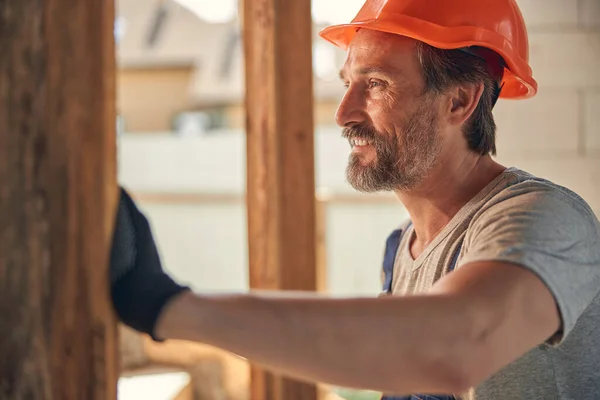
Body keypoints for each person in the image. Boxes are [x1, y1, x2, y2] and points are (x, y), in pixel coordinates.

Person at [110, 0, 600, 399]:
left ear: (459, 101)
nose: (344, 113)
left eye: (376, 85)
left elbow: (454, 346)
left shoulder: (544, 218)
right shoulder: (402, 248)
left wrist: (168, 307)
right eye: (349, 84)